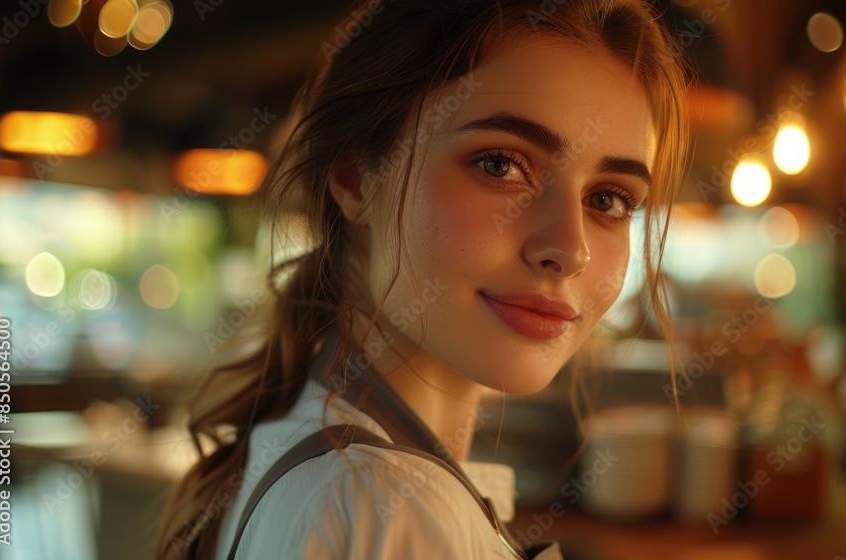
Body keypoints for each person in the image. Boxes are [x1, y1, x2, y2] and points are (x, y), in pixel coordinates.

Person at [156, 0, 688, 558]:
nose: (570, 249)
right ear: (358, 179)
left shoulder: (334, 462)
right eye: (501, 165)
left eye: (609, 199)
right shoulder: (387, 510)